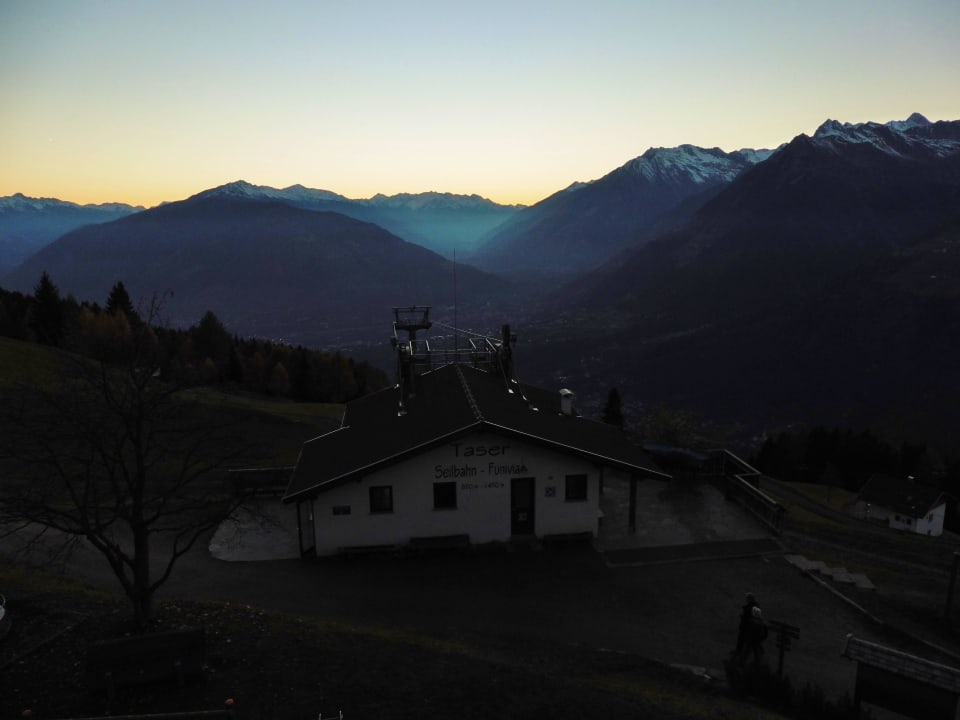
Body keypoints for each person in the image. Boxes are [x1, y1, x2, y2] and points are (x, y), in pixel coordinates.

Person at [735, 592, 758, 659]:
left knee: (744, 642)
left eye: (747, 598)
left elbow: (752, 618)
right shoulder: (753, 607)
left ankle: (739, 654)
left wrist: (743, 617)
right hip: (748, 628)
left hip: (748, 629)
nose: (746, 600)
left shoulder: (752, 607)